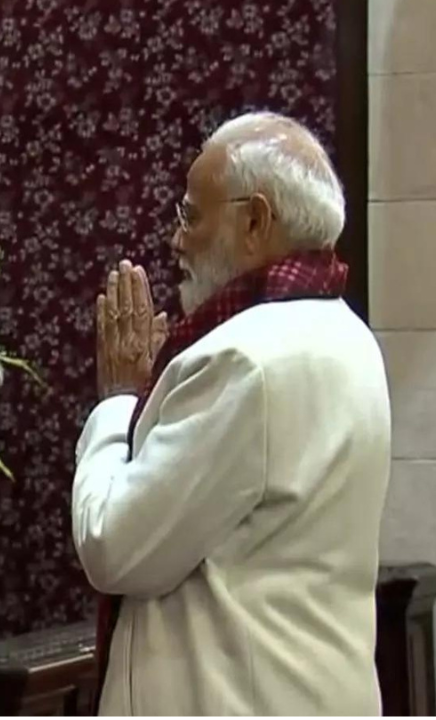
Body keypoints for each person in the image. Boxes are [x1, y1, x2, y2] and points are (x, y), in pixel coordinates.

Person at [71, 111, 391, 715]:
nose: (176, 239)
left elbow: (114, 543)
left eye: (192, 215)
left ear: (255, 221)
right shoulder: (348, 334)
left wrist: (117, 401)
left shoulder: (245, 359)